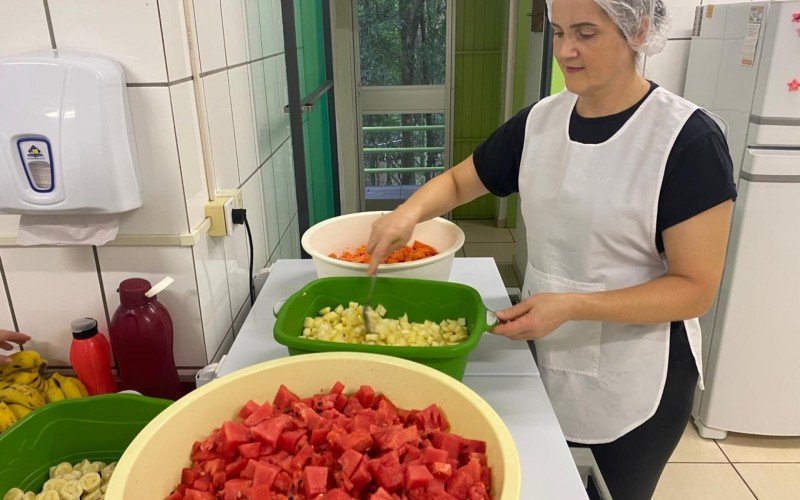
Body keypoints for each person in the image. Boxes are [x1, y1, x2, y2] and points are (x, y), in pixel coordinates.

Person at [366, 0, 736, 497]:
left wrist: (575, 307)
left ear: (638, 29)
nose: (565, 51)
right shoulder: (540, 121)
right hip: (542, 353)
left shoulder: (686, 140)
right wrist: (406, 214)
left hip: (635, 377)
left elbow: (694, 290)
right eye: (559, 31)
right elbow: (459, 182)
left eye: (585, 33)